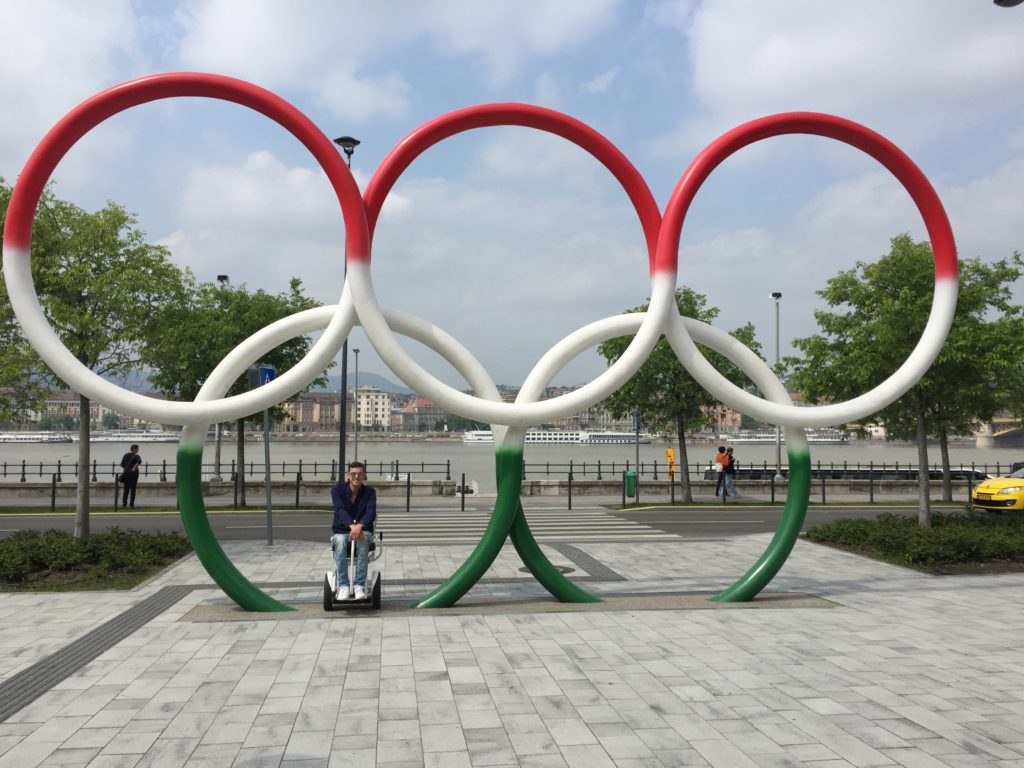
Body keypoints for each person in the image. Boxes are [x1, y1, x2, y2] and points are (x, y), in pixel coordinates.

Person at [330, 461, 376, 600]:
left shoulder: (369, 492)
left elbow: (370, 512)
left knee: (363, 540)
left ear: (364, 475)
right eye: (353, 474)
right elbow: (339, 510)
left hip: (363, 531)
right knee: (339, 540)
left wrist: (360, 526)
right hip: (343, 531)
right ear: (348, 475)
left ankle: (359, 586)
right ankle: (343, 585)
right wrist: (352, 525)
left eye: (360, 474)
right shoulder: (337, 490)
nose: (356, 476)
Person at [119, 444, 142, 508]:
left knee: (126, 489)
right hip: (133, 475)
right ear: (134, 449)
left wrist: (127, 469)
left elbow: (122, 464)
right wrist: (134, 467)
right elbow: (139, 461)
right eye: (137, 449)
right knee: (133, 490)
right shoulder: (136, 456)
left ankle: (124, 504)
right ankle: (131, 505)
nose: (138, 450)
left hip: (126, 474)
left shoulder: (125, 455)